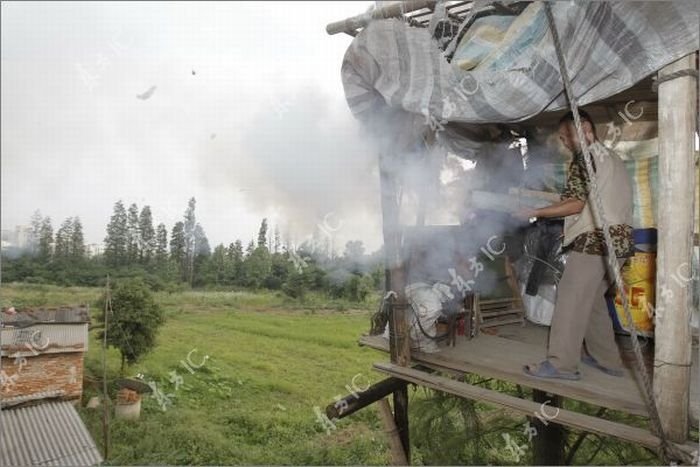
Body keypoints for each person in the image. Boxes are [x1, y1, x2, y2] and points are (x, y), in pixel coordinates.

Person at [517, 110, 634, 380]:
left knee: (569, 299)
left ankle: (561, 364)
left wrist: (534, 213)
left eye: (565, 137)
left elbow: (576, 204)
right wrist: (571, 229)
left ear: (583, 128)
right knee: (593, 302)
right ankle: (609, 360)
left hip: (596, 242)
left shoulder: (586, 158)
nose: (565, 143)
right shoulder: (610, 157)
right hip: (619, 242)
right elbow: (594, 204)